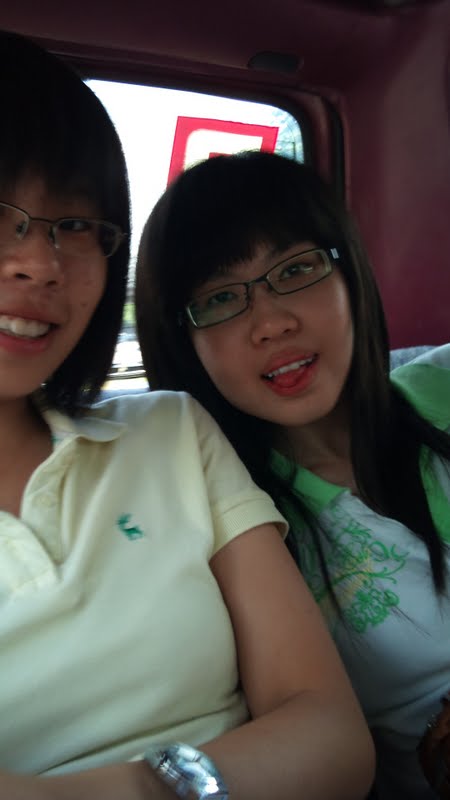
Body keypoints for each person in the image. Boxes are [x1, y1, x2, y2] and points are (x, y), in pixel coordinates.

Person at [0, 31, 375, 800]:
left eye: (76, 225)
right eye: (223, 299)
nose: (40, 263)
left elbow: (332, 737)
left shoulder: (170, 432)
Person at [135, 149, 450, 799]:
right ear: (184, 343)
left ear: (349, 273)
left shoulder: (441, 385)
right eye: (221, 298)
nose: (273, 322)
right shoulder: (235, 531)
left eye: (296, 269)